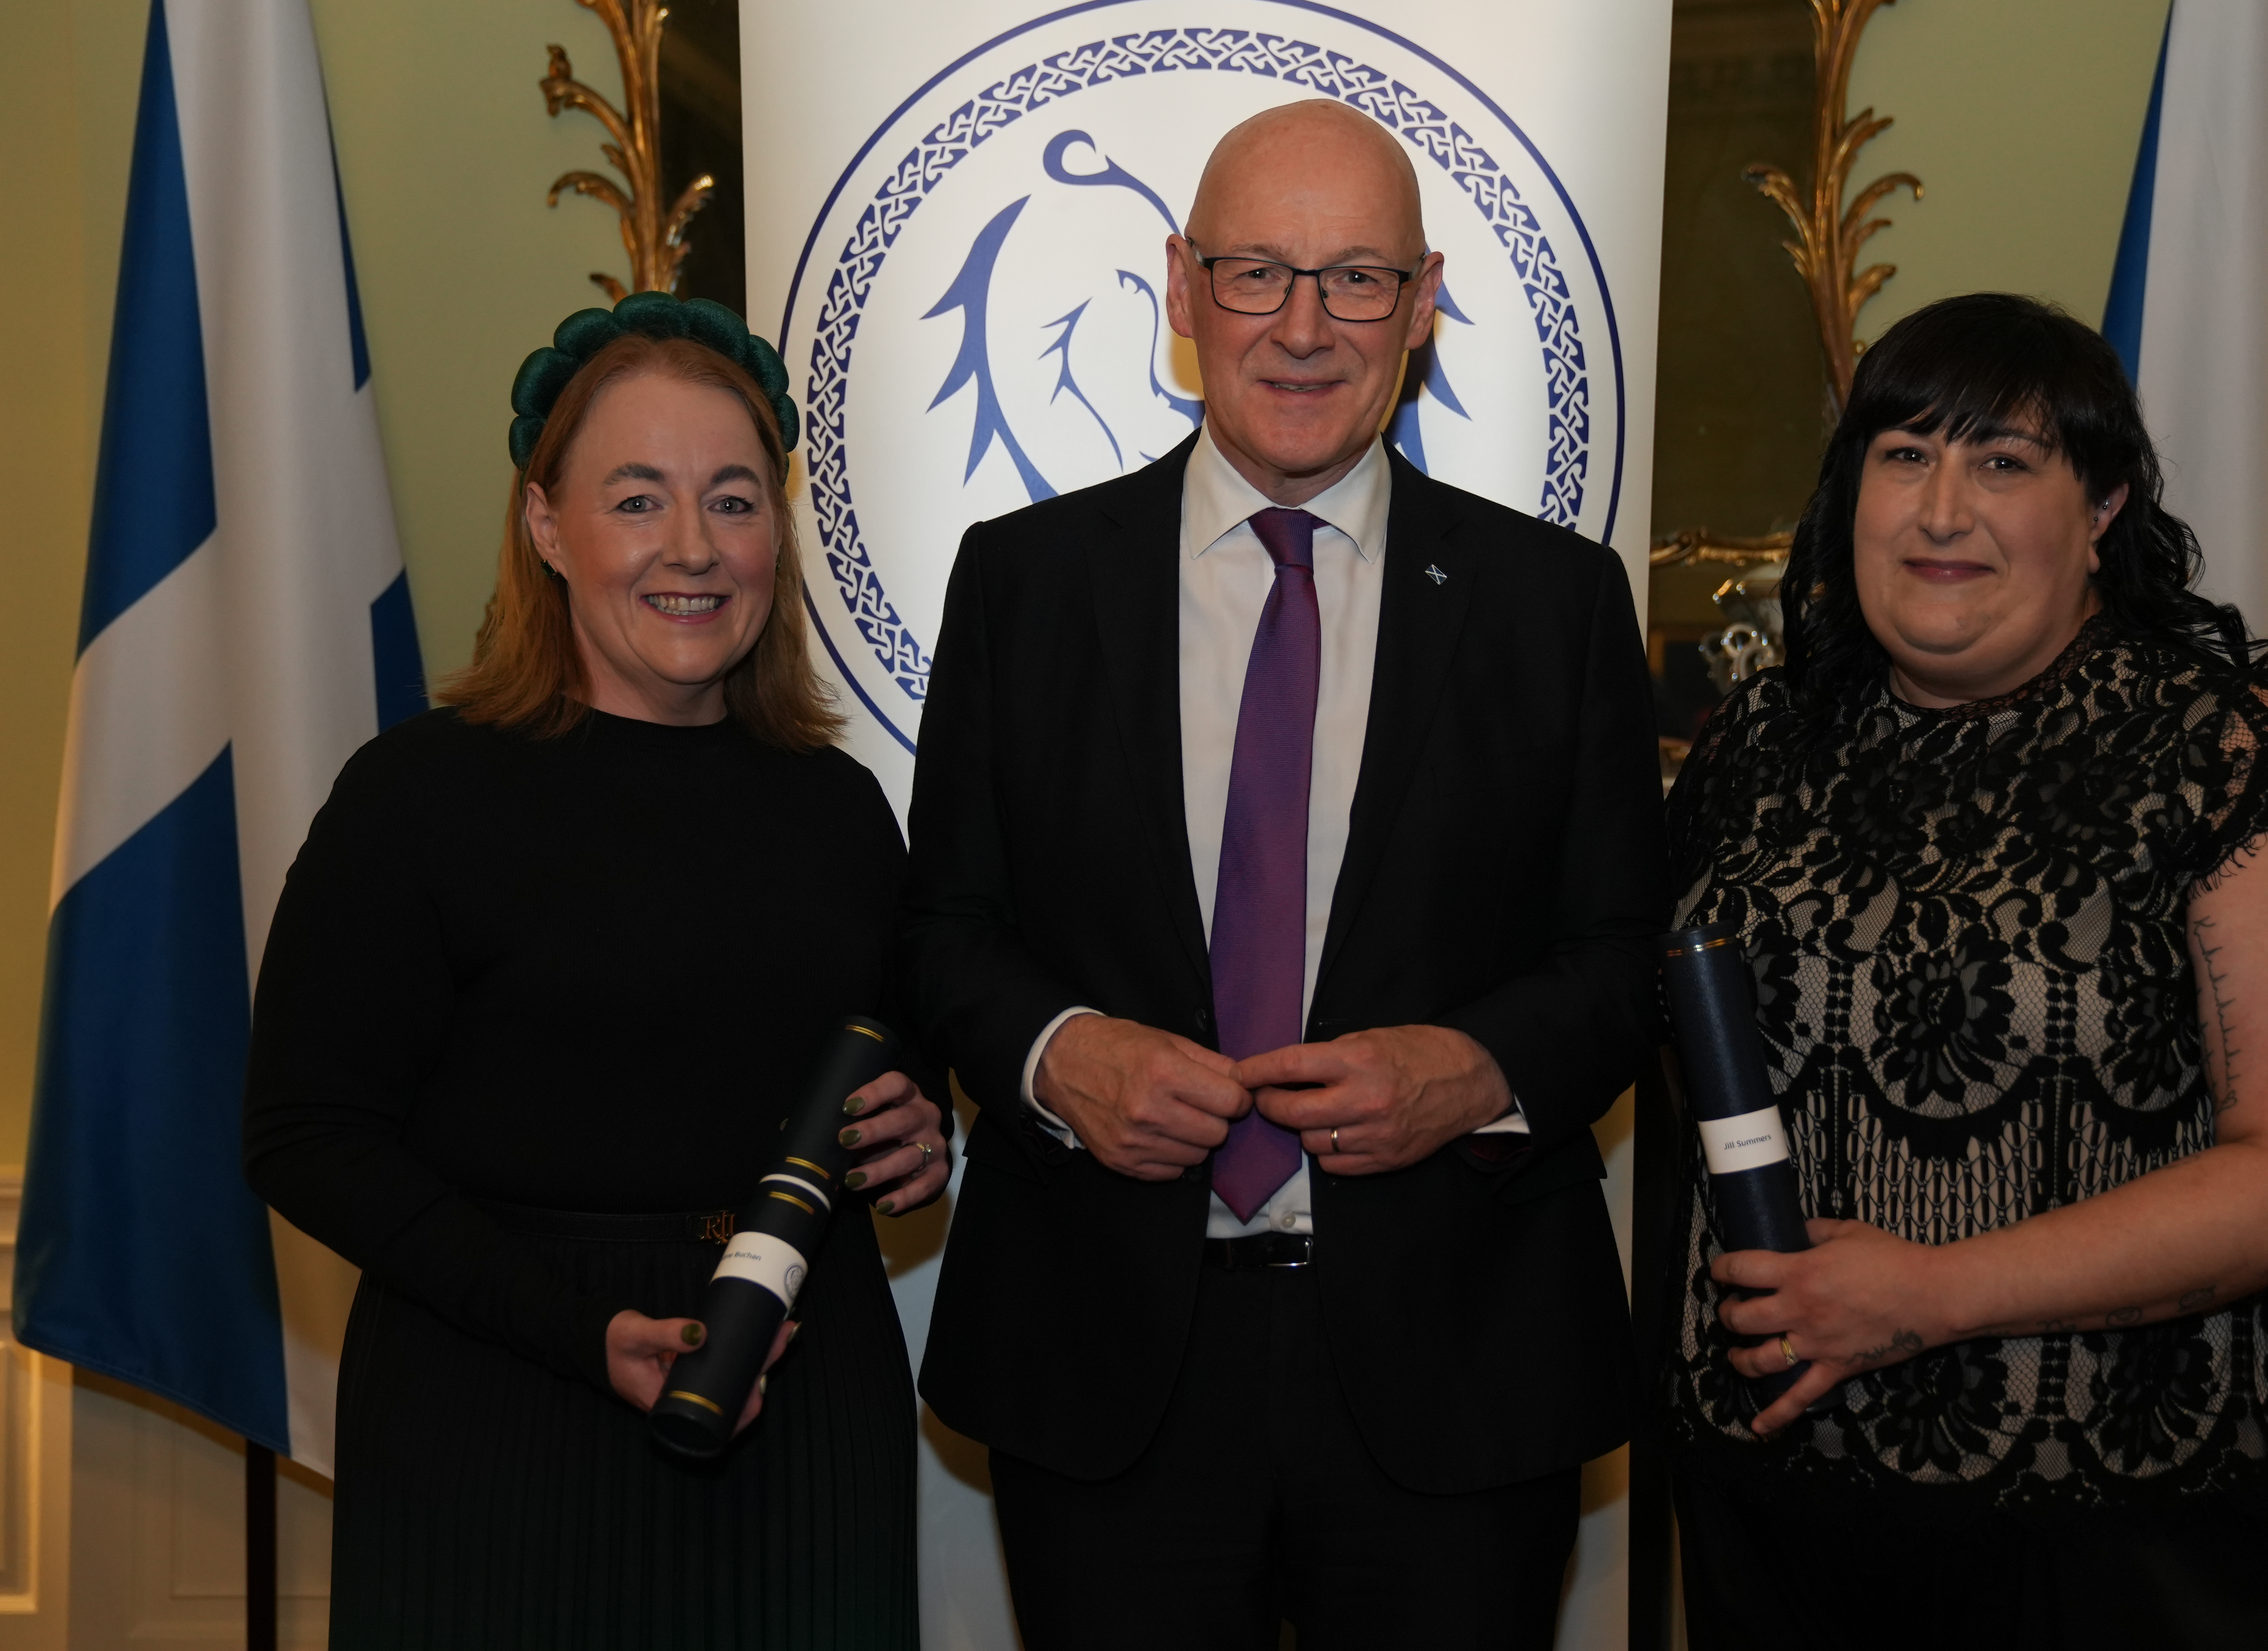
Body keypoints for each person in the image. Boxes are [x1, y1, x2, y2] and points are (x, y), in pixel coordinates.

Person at [899, 99, 1664, 1649]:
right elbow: (943, 927)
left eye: (1357, 278)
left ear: (1423, 301)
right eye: (1256, 272)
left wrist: (1473, 1070)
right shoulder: (1022, 582)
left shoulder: (1557, 602)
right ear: (1181, 287)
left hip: (1460, 1357)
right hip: (1106, 1356)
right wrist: (1060, 1055)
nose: (1303, 328)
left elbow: (1623, 954)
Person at [1660, 293, 2268, 1649]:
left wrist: (1930, 1292)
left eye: (2003, 462)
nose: (1940, 510)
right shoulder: (1759, 744)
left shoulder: (2234, 754)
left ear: (2101, 510)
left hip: (2118, 1529)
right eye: (1904, 455)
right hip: (1773, 1504)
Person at [243, 293, 948, 1650]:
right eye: (637, 500)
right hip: (496, 1424)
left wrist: (917, 1134)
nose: (693, 547)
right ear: (546, 526)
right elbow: (304, 1132)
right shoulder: (417, 798)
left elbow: (893, 1065)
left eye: (733, 500)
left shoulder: (840, 809)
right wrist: (575, 1328)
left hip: (800, 1417)